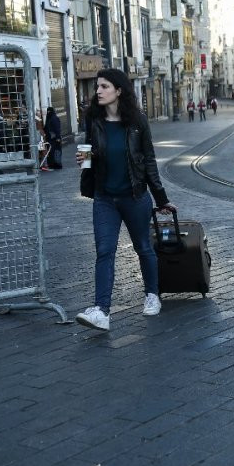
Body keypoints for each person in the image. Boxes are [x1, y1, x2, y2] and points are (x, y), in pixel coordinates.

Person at [75, 68, 176, 332]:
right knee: (104, 252)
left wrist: (161, 198)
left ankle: (152, 294)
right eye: (97, 86)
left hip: (135, 196)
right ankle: (101, 311)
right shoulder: (93, 121)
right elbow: (88, 156)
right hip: (105, 198)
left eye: (104, 86)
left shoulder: (138, 122)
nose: (98, 91)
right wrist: (86, 161)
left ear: (119, 90)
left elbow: (149, 161)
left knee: (143, 248)